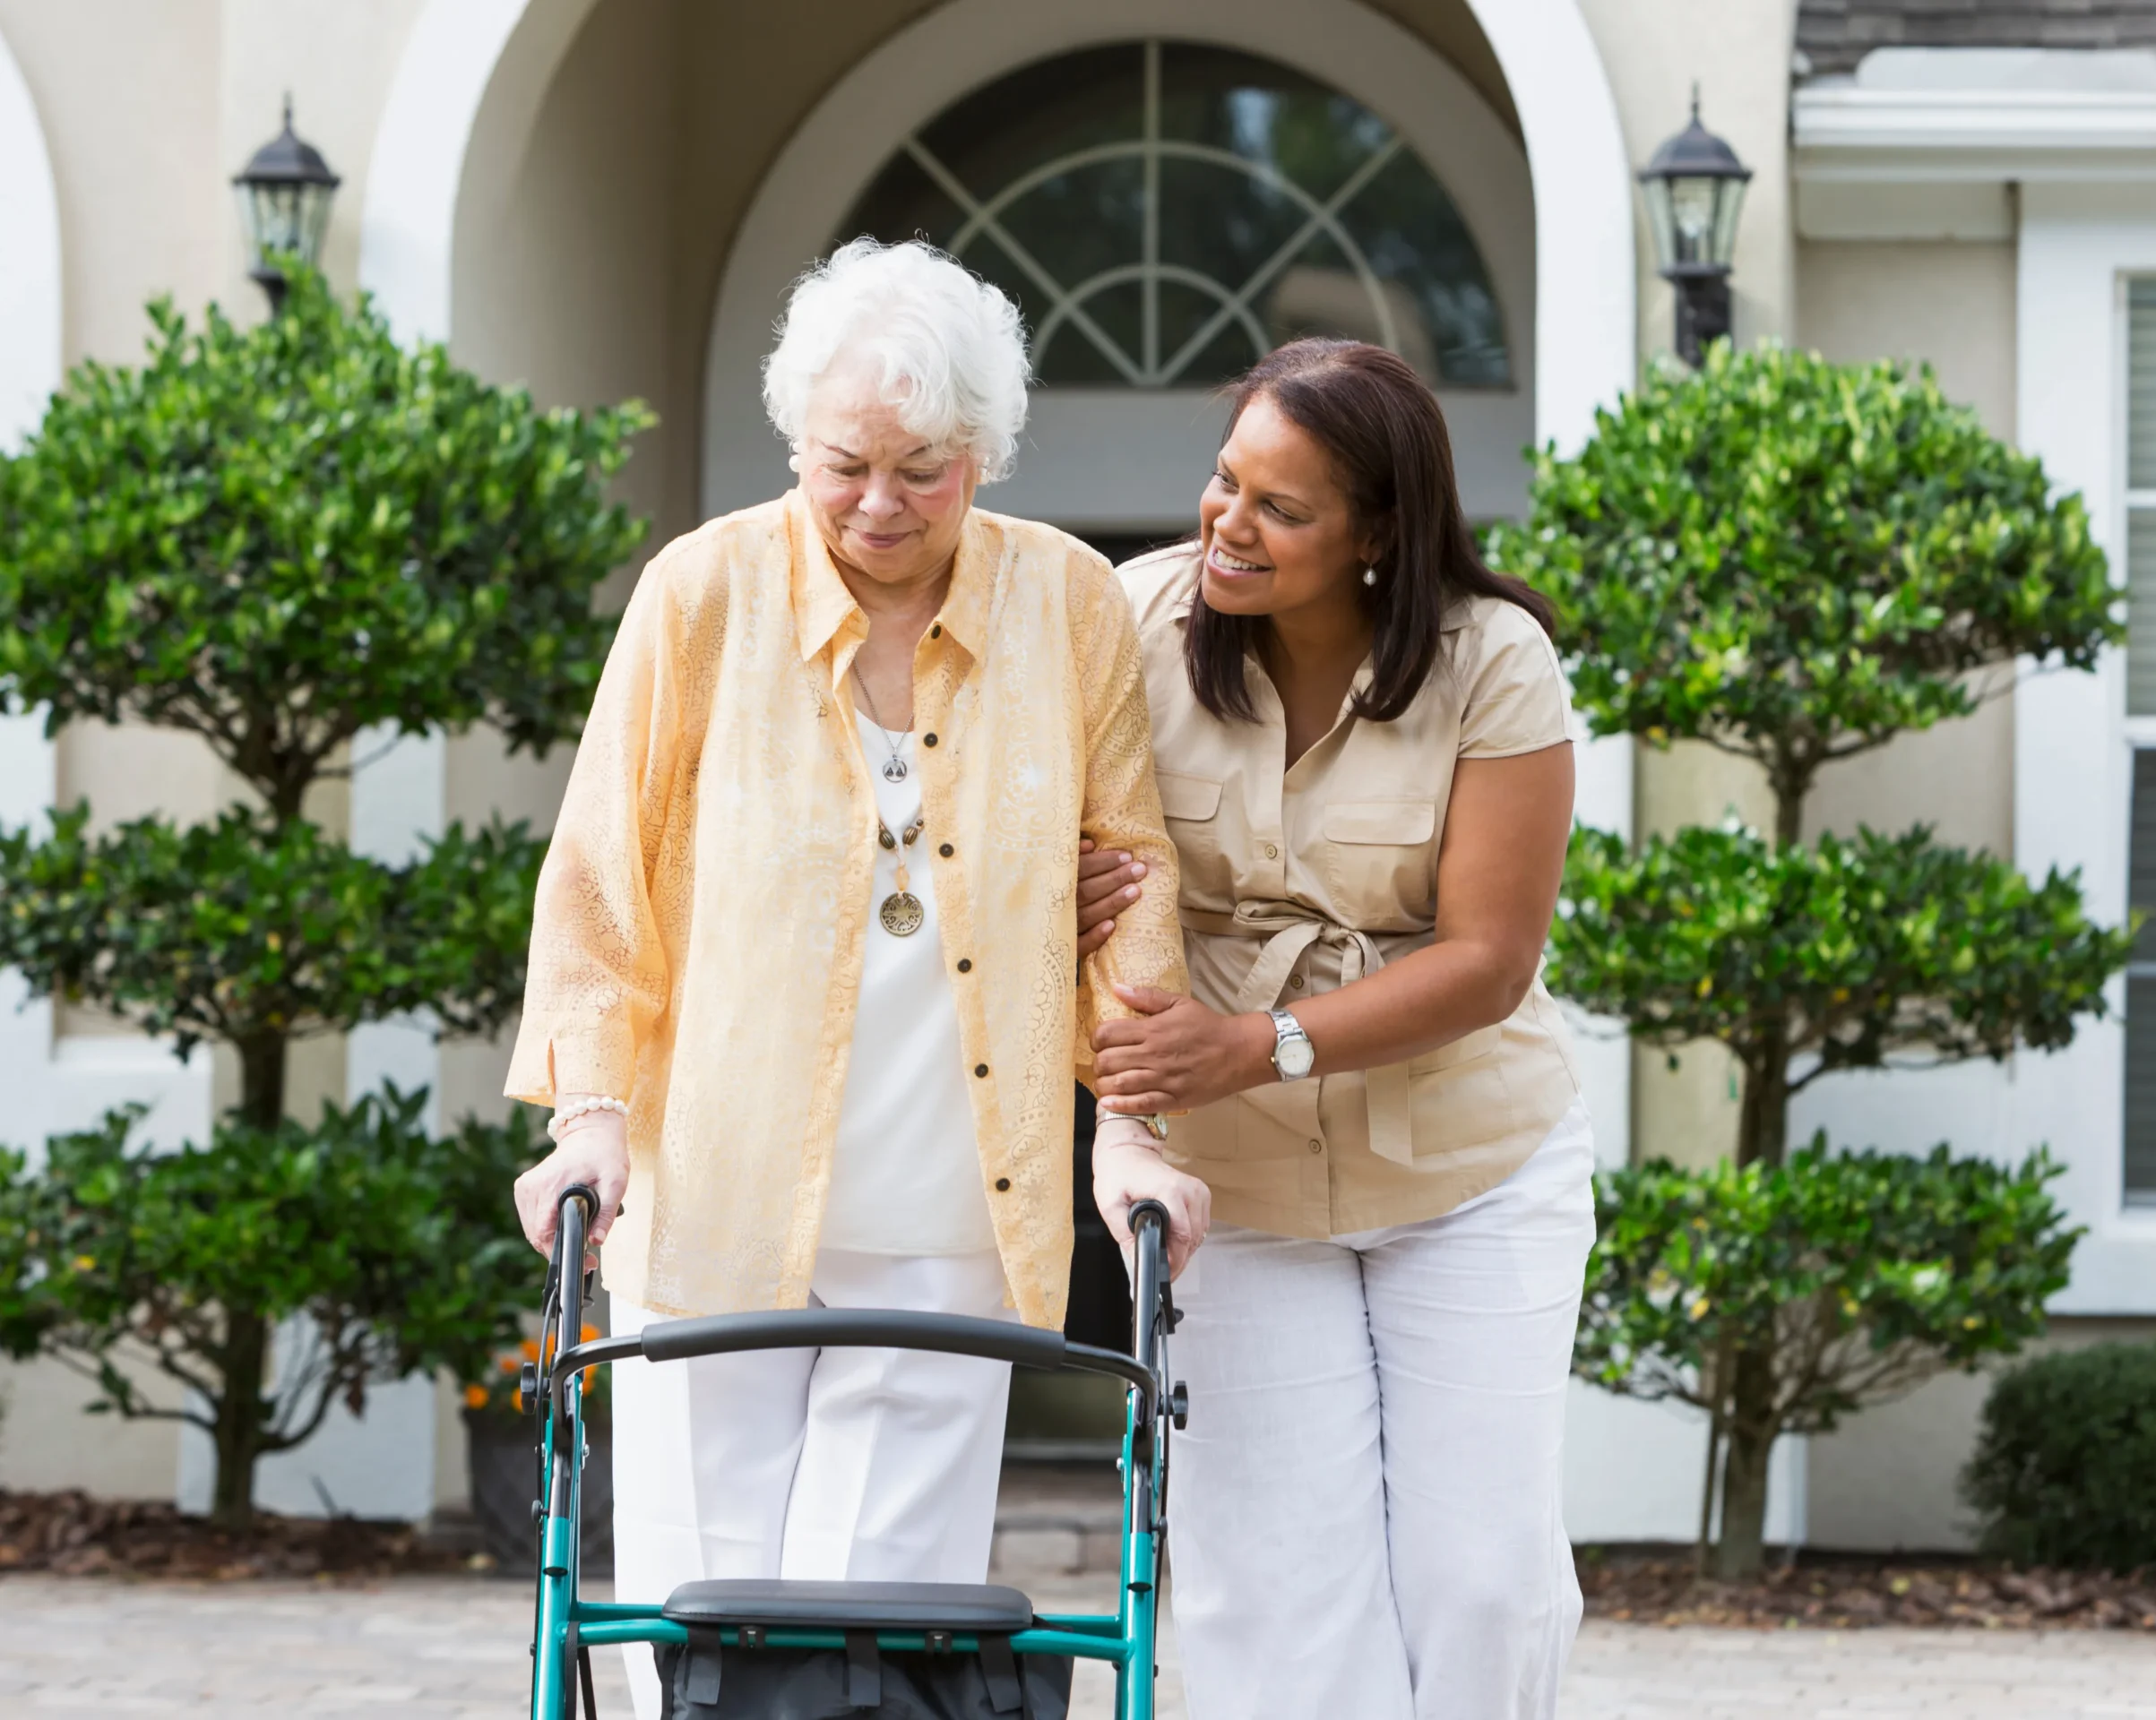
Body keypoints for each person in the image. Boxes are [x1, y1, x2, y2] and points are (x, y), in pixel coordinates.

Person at [505, 237, 1209, 1718]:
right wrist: (588, 1117)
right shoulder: (700, 595)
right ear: (793, 440)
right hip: (715, 1200)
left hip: (957, 1213)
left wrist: (1134, 1135)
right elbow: (597, 879)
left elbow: (1129, 877)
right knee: (696, 1627)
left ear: (987, 455)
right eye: (845, 467)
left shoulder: (1068, 606)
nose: (880, 506)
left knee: (873, 1643)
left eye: (927, 469)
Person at [1079, 339, 1593, 1719]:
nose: (1227, 524)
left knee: (1483, 1583)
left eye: (1282, 508)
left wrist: (1258, 1044)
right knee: (1275, 1592)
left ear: (1377, 532)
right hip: (1230, 1187)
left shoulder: (1496, 663)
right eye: (1224, 480)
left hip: (1471, 1174)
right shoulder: (1131, 623)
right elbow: (1034, 837)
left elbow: (1488, 960)